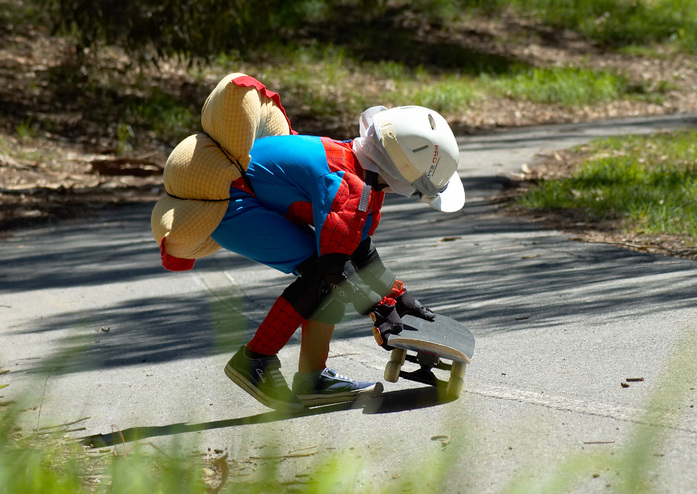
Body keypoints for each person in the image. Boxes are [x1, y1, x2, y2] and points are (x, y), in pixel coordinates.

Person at [151, 73, 465, 412]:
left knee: (327, 278)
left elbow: (357, 249)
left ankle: (313, 379)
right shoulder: (349, 186)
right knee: (320, 278)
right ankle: (255, 361)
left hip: (247, 196)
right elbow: (335, 267)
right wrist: (380, 310)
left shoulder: (359, 168)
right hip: (230, 204)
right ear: (405, 175)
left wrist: (398, 297)